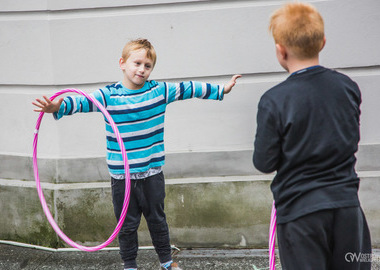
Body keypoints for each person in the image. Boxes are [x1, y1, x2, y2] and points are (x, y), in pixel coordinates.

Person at [33, 38, 240, 270]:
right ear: (122, 63)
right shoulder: (108, 96)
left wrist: (221, 89)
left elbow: (188, 88)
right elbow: (80, 102)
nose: (142, 69)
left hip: (152, 171)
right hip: (123, 175)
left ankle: (167, 262)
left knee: (157, 220)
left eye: (147, 65)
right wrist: (57, 106)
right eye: (137, 63)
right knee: (127, 225)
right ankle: (130, 265)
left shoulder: (159, 91)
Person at [253, 2, 371, 270]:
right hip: (348, 211)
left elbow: (264, 162)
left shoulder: (274, 100)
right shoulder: (347, 87)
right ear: (323, 42)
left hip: (300, 216)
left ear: (280, 50)